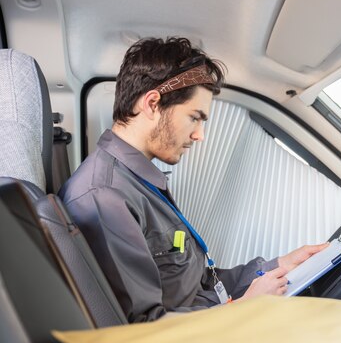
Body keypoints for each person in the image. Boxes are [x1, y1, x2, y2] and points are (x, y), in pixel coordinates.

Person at [60, 37, 327, 323]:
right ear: (152, 104)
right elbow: (143, 328)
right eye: (194, 117)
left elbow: (202, 285)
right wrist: (244, 308)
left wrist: (281, 266)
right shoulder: (105, 196)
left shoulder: (139, 181)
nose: (200, 135)